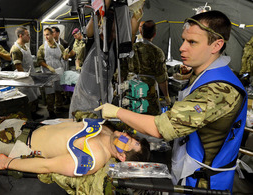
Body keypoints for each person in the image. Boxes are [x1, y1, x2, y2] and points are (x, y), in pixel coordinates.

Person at [95, 10, 247, 192]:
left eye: (192, 42)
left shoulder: (220, 91)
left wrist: (116, 112)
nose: (182, 47)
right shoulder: (205, 74)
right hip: (189, 166)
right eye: (183, 40)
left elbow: (160, 128)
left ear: (216, 45)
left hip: (204, 183)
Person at [0, 120, 150, 176]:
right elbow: (68, 124)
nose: (128, 136)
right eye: (133, 137)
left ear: (122, 157)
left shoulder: (93, 158)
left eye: (131, 143)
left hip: (14, 144)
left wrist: (8, 163)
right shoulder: (105, 128)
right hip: (27, 126)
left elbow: (47, 166)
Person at [123, 20, 171, 115]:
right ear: (154, 34)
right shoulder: (157, 52)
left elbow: (122, 70)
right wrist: (166, 97)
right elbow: (161, 78)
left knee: (131, 117)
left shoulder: (132, 48)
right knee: (150, 119)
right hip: (148, 92)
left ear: (141, 32)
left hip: (131, 89)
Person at [10, 27, 42, 120]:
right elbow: (18, 66)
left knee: (34, 98)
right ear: (21, 35)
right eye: (27, 35)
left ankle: (34, 114)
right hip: (24, 77)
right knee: (29, 99)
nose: (29, 37)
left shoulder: (25, 46)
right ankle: (29, 118)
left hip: (31, 75)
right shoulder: (16, 49)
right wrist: (25, 79)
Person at [37, 27, 65, 118]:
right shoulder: (42, 48)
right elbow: (40, 61)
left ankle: (59, 107)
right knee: (50, 92)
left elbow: (64, 56)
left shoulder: (59, 46)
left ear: (53, 35)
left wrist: (66, 55)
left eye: (48, 34)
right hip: (48, 72)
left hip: (58, 71)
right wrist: (48, 67)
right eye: (45, 35)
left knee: (59, 90)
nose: (46, 37)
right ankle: (50, 110)